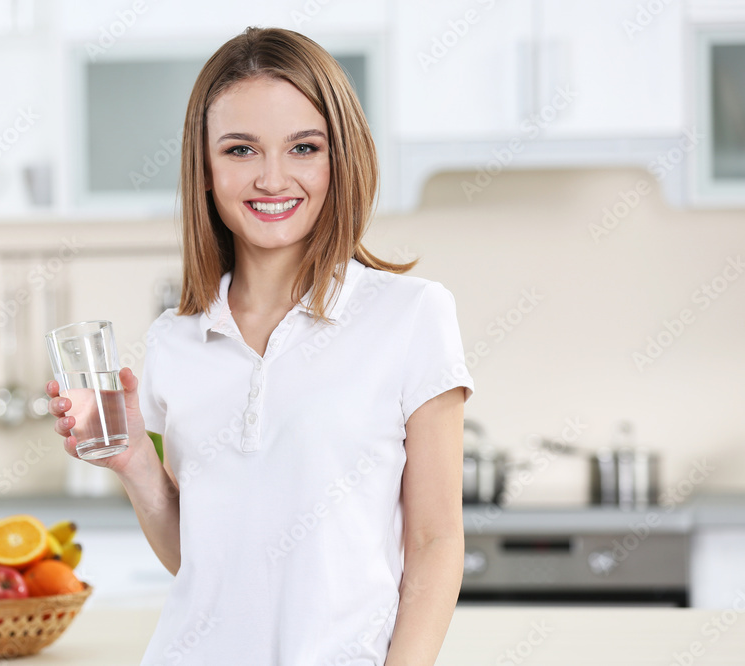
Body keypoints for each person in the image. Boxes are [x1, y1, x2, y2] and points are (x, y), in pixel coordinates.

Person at [46, 26, 474, 666]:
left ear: (340, 159)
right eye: (242, 150)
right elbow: (200, 561)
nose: (273, 179)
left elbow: (437, 541)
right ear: (207, 170)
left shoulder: (412, 315)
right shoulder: (174, 341)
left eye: (304, 147)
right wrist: (136, 465)